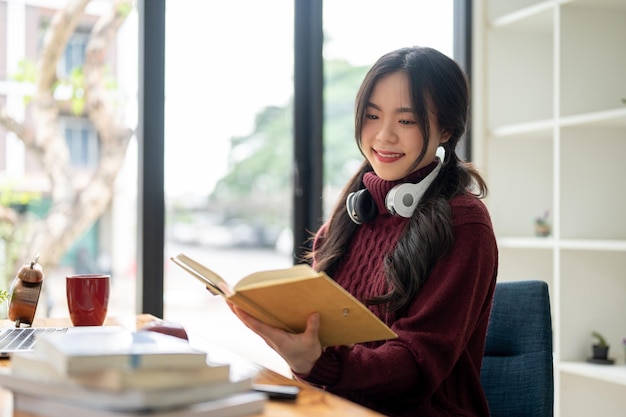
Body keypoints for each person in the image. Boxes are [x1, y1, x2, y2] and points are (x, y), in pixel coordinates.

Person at [230, 46, 498, 417]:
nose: (383, 136)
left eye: (406, 121)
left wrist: (319, 363)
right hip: (330, 408)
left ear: (446, 130)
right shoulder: (354, 210)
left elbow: (416, 367)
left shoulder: (464, 223)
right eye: (372, 116)